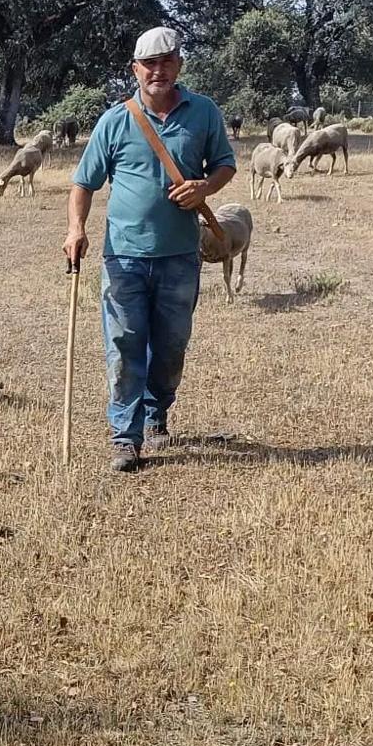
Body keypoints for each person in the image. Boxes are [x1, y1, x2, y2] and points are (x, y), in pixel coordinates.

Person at [63, 26, 237, 473]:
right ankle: (126, 435)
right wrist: (75, 229)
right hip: (122, 256)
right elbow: (84, 182)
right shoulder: (115, 120)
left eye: (166, 61)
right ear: (135, 70)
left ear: (179, 64)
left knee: (171, 346)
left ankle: (157, 411)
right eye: (148, 63)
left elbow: (225, 165)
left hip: (180, 255)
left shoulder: (203, 113)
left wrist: (204, 186)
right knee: (123, 344)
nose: (157, 70)